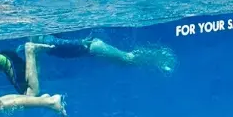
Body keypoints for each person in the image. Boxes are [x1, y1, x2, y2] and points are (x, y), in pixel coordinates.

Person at [29, 34, 177, 73]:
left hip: (94, 48)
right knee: (126, 61)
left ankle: (159, 57)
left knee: (128, 59)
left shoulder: (44, 40)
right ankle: (154, 58)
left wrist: (80, 42)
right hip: (92, 50)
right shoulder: (39, 42)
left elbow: (61, 43)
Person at [0, 42, 65, 114]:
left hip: (4, 59)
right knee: (31, 97)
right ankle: (46, 100)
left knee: (31, 94)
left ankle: (51, 101)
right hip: (2, 58)